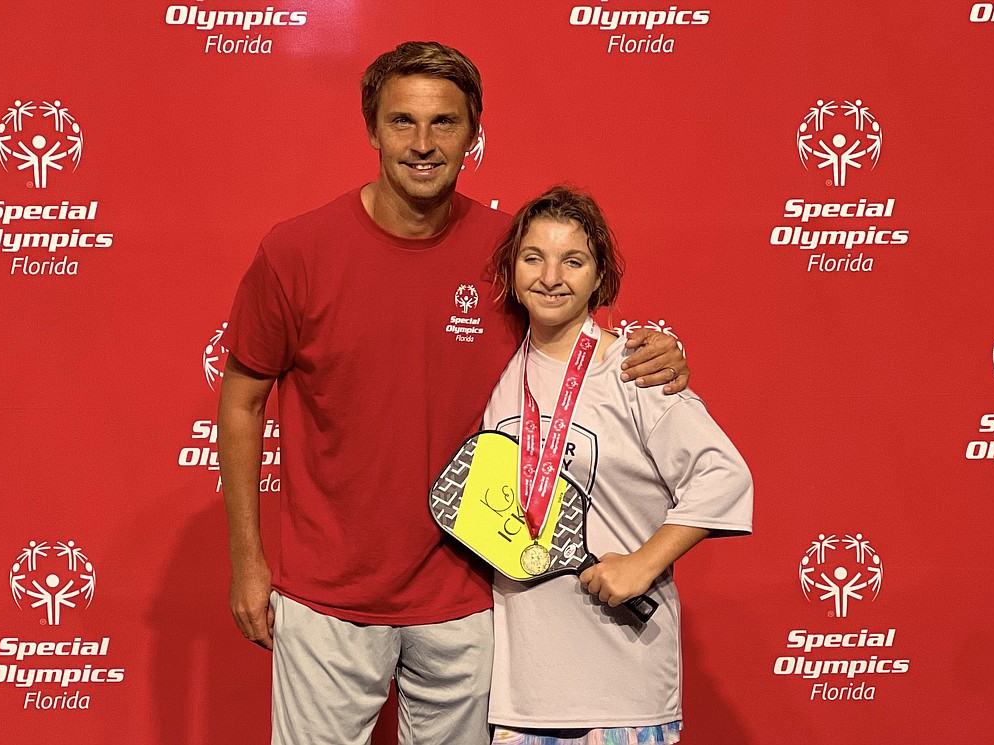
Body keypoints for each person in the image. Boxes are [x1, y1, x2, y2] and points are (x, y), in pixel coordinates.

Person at [217, 42, 690, 745]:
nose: (422, 144)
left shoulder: (511, 251)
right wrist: (249, 561)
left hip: (469, 596)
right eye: (402, 122)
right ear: (371, 128)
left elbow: (581, 348)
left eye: (444, 124)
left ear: (474, 133)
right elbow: (242, 400)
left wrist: (662, 352)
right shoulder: (296, 252)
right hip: (326, 596)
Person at [482, 186, 753, 745]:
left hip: (625, 692)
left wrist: (642, 563)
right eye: (534, 257)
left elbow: (724, 474)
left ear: (600, 276)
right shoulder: (495, 372)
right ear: (511, 270)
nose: (551, 276)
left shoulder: (633, 370)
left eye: (573, 260)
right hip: (520, 698)